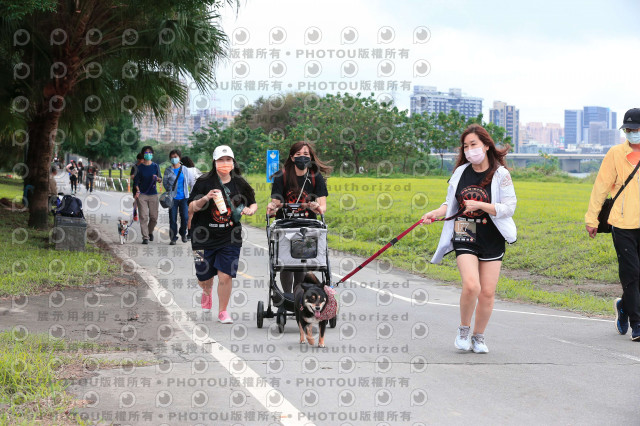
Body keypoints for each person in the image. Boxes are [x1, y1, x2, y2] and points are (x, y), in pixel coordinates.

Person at [422, 124, 517, 354]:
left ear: (486, 146)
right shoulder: (460, 173)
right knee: (472, 285)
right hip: (464, 230)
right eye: (465, 146)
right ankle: (463, 330)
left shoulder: (501, 174)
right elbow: (450, 203)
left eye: (473, 144)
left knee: (487, 292)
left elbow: (509, 208)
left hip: (492, 235)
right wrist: (435, 213)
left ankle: (478, 337)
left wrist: (482, 205)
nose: (469, 150)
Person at [585, 108, 640, 341]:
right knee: (631, 274)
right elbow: (601, 187)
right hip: (622, 223)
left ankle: (624, 307)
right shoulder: (616, 153)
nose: (632, 133)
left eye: (635, 129)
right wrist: (591, 218)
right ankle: (637, 324)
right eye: (628, 129)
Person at [188, 145, 257, 323]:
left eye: (228, 160)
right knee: (203, 277)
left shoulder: (239, 183)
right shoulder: (203, 182)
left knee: (225, 275)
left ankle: (223, 311)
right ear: (214, 162)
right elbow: (191, 207)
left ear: (233, 162)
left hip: (230, 236)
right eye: (221, 160)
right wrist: (206, 198)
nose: (225, 163)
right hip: (201, 237)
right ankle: (206, 290)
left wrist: (250, 209)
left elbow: (253, 202)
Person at [266, 141, 331, 294]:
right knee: (286, 263)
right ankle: (287, 295)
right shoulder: (282, 176)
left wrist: (316, 207)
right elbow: (276, 201)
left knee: (302, 263)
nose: (302, 157)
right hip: (285, 226)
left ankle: (297, 296)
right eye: (298, 154)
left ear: (311, 157)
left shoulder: (315, 177)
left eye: (306, 154)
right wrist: (273, 206)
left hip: (307, 227)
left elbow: (323, 206)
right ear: (292, 157)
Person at [133, 146, 160, 244]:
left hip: (153, 195)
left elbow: (160, 179)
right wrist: (138, 191)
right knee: (143, 216)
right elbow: (136, 183)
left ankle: (149, 232)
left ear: (152, 154)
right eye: (146, 152)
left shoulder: (156, 166)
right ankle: (145, 237)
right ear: (143, 154)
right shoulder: (139, 168)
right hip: (142, 195)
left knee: (154, 217)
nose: (148, 154)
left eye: (150, 152)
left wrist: (157, 178)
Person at [163, 149, 191, 245]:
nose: (173, 159)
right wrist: (170, 190)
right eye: (172, 157)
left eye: (175, 157)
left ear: (179, 158)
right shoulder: (168, 170)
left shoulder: (185, 169)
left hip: (184, 197)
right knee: (172, 219)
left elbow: (189, 181)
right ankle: (173, 238)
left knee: (185, 217)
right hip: (172, 198)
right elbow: (165, 183)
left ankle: (183, 233)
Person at [130, 153, 144, 221]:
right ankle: (135, 213)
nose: (143, 161)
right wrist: (137, 176)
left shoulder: (145, 167)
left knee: (142, 201)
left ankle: (142, 214)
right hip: (136, 186)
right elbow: (132, 176)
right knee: (137, 200)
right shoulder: (134, 167)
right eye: (142, 160)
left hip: (143, 186)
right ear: (138, 159)